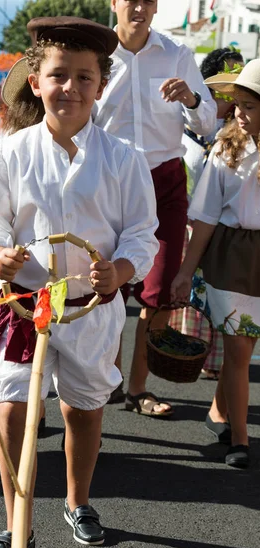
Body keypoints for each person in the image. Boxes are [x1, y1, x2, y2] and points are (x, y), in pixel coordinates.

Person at [0, 16, 159, 548]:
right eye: (58, 75)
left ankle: (78, 501)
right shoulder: (11, 152)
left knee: (83, 410)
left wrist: (122, 268)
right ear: (35, 81)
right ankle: (16, 524)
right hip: (25, 309)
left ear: (101, 84)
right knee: (11, 411)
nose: (69, 88)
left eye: (83, 77)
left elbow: (141, 232)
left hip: (92, 310)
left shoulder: (124, 158)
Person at [94, 0, 217, 415]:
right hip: (110, 181)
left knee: (160, 290)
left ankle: (138, 389)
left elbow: (210, 122)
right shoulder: (97, 53)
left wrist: (193, 99)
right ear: (114, 3)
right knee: (104, 284)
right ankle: (106, 379)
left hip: (165, 179)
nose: (140, 7)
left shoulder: (177, 53)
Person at [171, 59, 260, 469]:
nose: (239, 113)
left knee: (245, 347)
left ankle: (219, 412)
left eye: (251, 106)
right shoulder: (225, 149)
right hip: (232, 255)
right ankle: (240, 440)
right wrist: (186, 270)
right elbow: (204, 216)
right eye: (237, 104)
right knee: (239, 350)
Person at [170, 47, 245, 381]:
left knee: (219, 290)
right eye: (222, 90)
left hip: (225, 226)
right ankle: (191, 353)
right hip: (189, 220)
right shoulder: (189, 121)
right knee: (191, 288)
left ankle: (215, 361)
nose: (230, 98)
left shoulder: (242, 130)